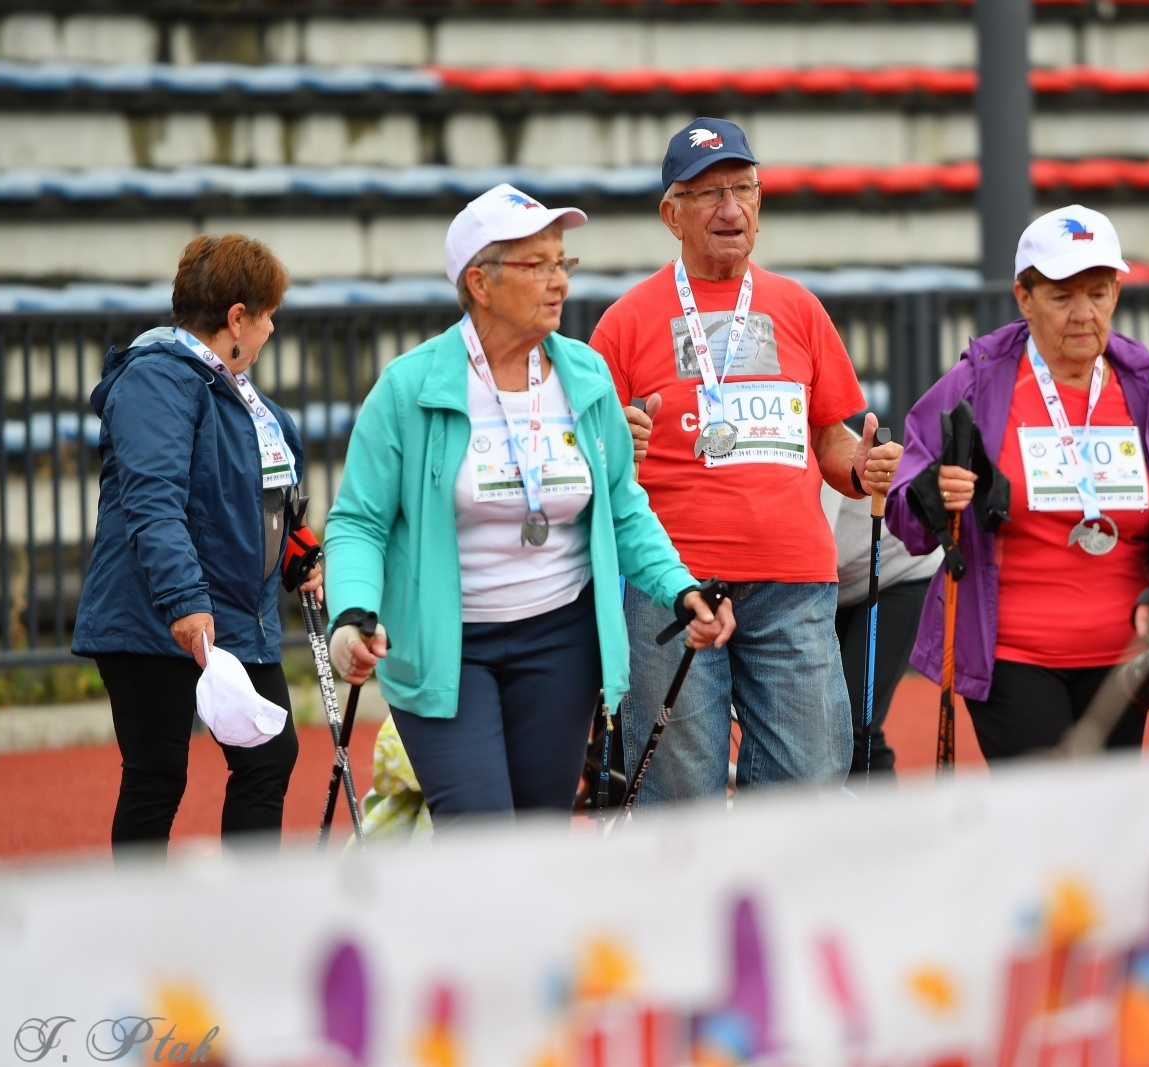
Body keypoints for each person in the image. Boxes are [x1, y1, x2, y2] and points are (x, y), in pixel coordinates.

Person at [322, 184, 734, 826]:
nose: (558, 282)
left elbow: (624, 508)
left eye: (561, 262)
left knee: (537, 843)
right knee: (483, 839)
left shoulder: (588, 376)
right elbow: (358, 522)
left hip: (560, 645)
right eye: (536, 265)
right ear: (480, 284)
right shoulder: (410, 387)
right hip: (448, 646)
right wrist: (352, 614)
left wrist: (681, 591)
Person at [590, 118, 904, 805]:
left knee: (809, 780)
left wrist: (865, 467)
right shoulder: (624, 321)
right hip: (670, 585)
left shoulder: (799, 307)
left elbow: (832, 441)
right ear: (671, 214)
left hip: (793, 582)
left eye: (743, 189)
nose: (730, 209)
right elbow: (592, 462)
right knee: (678, 793)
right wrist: (620, 446)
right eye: (708, 194)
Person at [886, 206, 1149, 760]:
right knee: (1046, 819)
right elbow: (904, 503)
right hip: (1011, 657)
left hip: (1127, 662)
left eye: (1100, 292)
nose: (1084, 314)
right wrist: (935, 495)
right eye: (1062, 297)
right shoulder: (978, 381)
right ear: (1024, 298)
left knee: (1107, 824)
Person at [72, 234, 311, 852]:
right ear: (238, 318)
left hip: (233, 612)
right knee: (157, 776)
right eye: (268, 316)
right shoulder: (157, 381)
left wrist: (295, 550)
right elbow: (152, 500)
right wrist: (183, 601)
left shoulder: (243, 397)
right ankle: (143, 924)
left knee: (268, 758)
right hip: (155, 614)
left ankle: (241, 919)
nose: (271, 330)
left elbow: (260, 499)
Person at [821, 477, 941, 775]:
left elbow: (810, 545)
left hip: (898, 572)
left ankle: (885, 819)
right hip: (839, 582)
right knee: (820, 725)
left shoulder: (803, 441)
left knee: (852, 725)